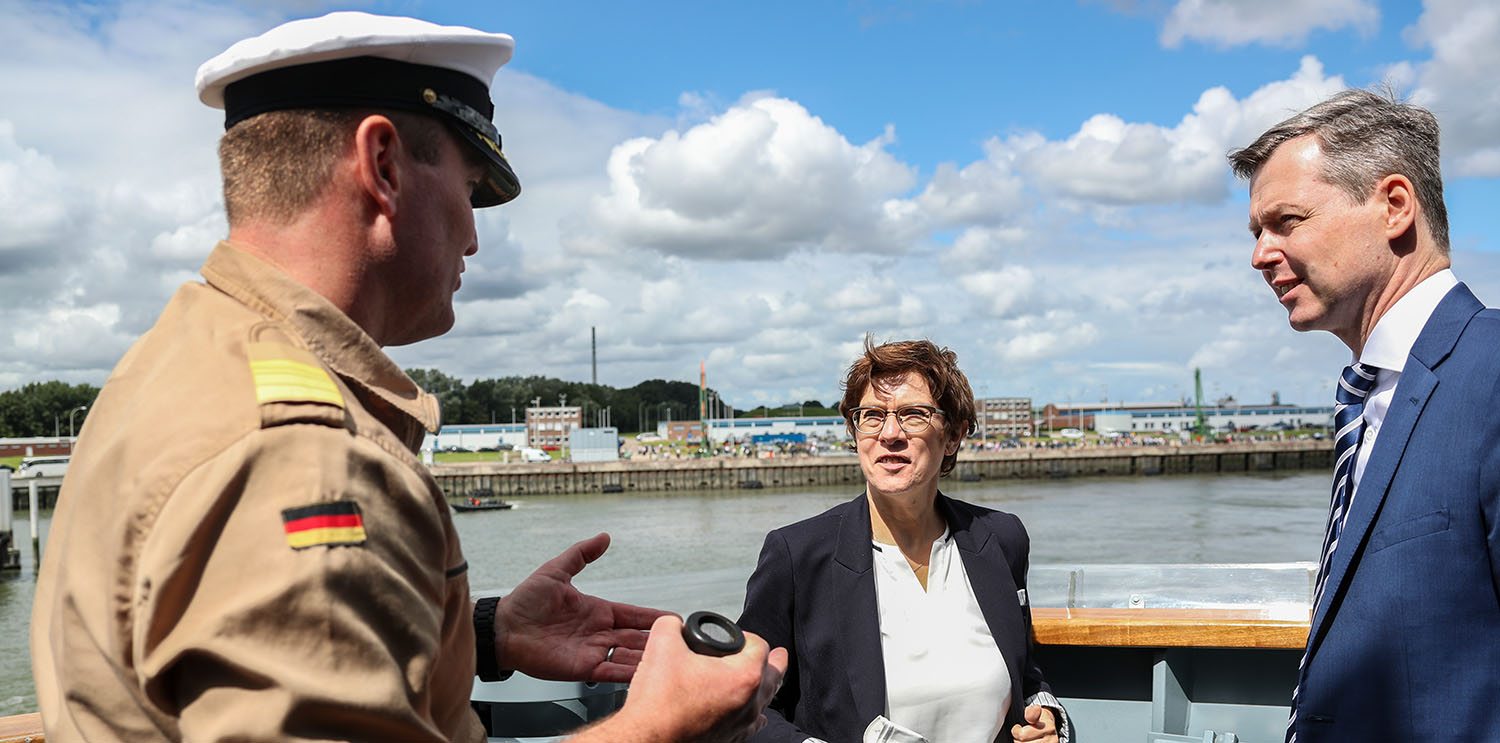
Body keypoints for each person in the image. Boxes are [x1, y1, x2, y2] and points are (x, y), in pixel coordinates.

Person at [29, 12, 784, 743]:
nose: (474, 236)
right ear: (383, 165)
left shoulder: (182, 356)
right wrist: (656, 729)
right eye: (469, 187)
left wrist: (481, 632)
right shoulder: (303, 453)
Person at [1230, 89, 1500, 742]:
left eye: (1286, 220)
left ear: (1394, 207)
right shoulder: (1368, 398)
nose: (1260, 253)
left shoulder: (1490, 372)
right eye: (1256, 232)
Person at [738, 339, 1069, 743]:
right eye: (872, 416)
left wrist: (1046, 715)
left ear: (953, 436)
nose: (890, 434)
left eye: (914, 415)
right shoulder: (797, 556)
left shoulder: (1001, 539)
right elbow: (746, 705)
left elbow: (1025, 671)